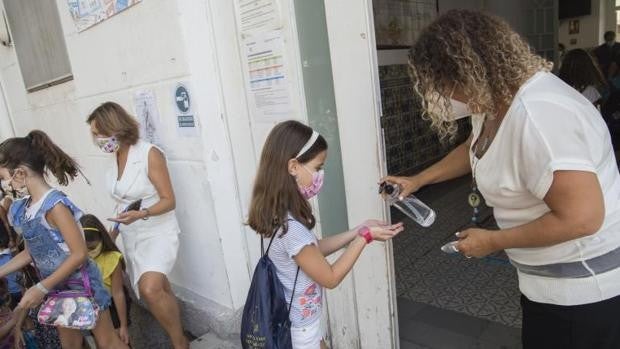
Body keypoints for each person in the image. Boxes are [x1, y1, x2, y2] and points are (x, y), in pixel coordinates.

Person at [384, 10, 620, 348]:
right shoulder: (494, 101)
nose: (437, 95)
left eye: (439, 83)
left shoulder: (540, 116)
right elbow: (474, 147)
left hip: (583, 296)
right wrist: (418, 180)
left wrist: (493, 241)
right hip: (546, 287)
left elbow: (583, 219)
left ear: (468, 72)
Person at [247, 120, 404, 348]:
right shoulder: (290, 228)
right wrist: (365, 238)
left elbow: (314, 250)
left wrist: (357, 231)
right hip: (301, 329)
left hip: (300, 324)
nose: (321, 174)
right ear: (293, 167)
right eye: (318, 167)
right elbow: (330, 278)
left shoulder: (279, 214)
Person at [0, 130, 128, 349]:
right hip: (56, 288)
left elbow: (79, 254)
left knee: (107, 342)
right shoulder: (26, 209)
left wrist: (40, 288)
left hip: (82, 285)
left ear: (19, 174)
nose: (4, 185)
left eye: (3, 178)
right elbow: (30, 252)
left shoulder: (55, 206)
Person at [87, 102, 187, 349]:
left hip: (158, 231)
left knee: (150, 289)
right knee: (160, 288)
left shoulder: (148, 153)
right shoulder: (113, 158)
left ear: (115, 127)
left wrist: (142, 213)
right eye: (94, 134)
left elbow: (169, 200)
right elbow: (121, 201)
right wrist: (110, 235)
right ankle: (180, 337)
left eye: (99, 133)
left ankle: (179, 343)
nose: (97, 140)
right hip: (131, 234)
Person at [80, 214, 130, 345]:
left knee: (119, 340)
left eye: (92, 248)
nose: (89, 252)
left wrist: (123, 325)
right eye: (84, 248)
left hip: (113, 305)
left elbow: (118, 293)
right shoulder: (78, 260)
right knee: (101, 343)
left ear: (101, 239)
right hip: (92, 308)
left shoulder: (112, 258)